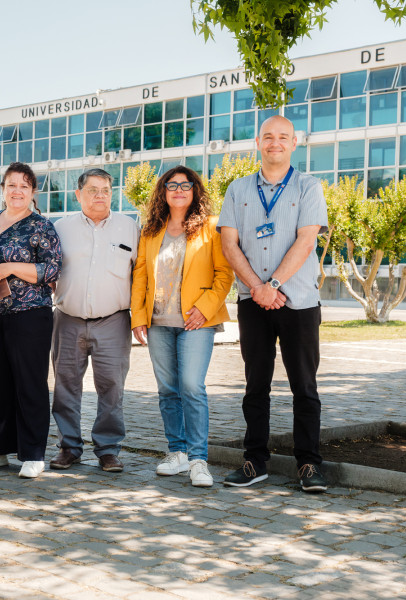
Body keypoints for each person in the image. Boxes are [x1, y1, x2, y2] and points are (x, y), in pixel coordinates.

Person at [218, 115, 330, 493]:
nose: (275, 143)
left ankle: (310, 465)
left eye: (283, 137)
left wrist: (275, 284)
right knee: (255, 385)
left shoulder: (309, 187)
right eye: (268, 136)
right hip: (253, 301)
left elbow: (306, 240)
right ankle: (255, 462)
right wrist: (258, 288)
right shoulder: (238, 189)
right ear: (258, 142)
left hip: (298, 301)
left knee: (304, 386)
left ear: (294, 143)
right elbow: (229, 244)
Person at [130, 166, 234, 487]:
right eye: (171, 185)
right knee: (167, 391)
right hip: (158, 322)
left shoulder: (211, 228)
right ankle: (178, 453)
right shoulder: (150, 231)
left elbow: (224, 274)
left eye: (185, 185)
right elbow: (141, 276)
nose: (178, 190)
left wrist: (205, 309)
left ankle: (199, 459)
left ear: (194, 191)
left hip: (195, 322)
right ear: (163, 192)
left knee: (191, 386)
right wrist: (137, 317)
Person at [0, 162, 62, 479]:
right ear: (3, 189)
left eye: (24, 186)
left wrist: (10, 267)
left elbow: (51, 270)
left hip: (29, 316)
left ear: (33, 192)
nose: (17, 191)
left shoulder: (41, 227)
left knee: (30, 384)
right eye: (11, 185)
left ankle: (33, 453)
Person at [49, 169, 138, 473]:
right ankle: (69, 447)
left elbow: (140, 276)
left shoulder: (130, 228)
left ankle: (108, 450)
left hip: (113, 320)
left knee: (112, 386)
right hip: (67, 319)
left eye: (105, 190)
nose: (100, 195)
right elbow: (48, 270)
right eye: (92, 190)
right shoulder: (60, 228)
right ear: (78, 194)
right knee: (65, 387)